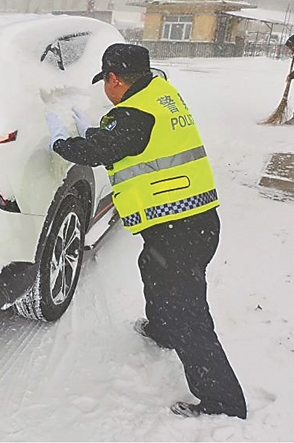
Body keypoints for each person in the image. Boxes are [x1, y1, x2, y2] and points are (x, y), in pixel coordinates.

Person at [45, 43, 247, 419]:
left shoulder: (135, 113)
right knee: (153, 270)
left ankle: (223, 401)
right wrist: (100, 133)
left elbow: (101, 150)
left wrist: (61, 142)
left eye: (105, 81)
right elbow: (129, 141)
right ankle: (162, 329)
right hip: (191, 220)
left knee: (189, 313)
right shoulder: (158, 93)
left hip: (180, 227)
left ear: (114, 79)